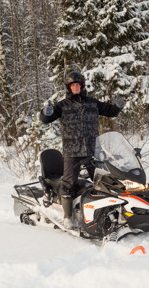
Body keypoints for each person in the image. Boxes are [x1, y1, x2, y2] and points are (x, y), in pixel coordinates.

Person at [39, 71, 124, 229]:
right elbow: (45, 120)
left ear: (82, 86)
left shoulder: (92, 103)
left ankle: (109, 210)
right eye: (72, 85)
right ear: (69, 88)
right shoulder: (62, 105)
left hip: (92, 150)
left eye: (78, 85)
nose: (75, 87)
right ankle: (67, 217)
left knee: (103, 179)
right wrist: (45, 113)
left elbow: (110, 111)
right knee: (68, 183)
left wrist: (118, 107)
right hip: (72, 152)